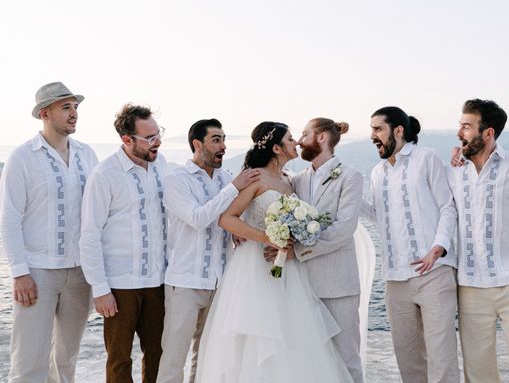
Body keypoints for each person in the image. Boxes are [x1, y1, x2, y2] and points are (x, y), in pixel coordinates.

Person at [195, 122, 353, 382]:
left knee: (293, 335)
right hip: (254, 268)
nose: (296, 143)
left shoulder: (289, 182)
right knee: (259, 337)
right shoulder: (255, 178)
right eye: (291, 139)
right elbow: (227, 219)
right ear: (277, 147)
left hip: (288, 271)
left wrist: (291, 241)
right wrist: (266, 238)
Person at [0, 81, 98, 382]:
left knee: (66, 358)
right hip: (38, 272)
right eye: (65, 107)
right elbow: (9, 218)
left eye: (75, 107)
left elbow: (98, 214)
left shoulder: (87, 155)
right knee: (29, 360)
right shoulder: (22, 157)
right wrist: (19, 273)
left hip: (80, 272)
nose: (74, 114)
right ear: (45, 113)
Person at [448, 99, 509, 382]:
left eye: (467, 127)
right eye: (460, 125)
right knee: (478, 372)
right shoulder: (453, 169)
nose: (460, 132)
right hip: (470, 284)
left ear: (488, 133)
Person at [156, 118, 259, 383]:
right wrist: (234, 188)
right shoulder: (177, 179)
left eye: (224, 139)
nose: (223, 146)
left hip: (222, 283)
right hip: (185, 283)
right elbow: (198, 218)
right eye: (216, 140)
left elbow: (236, 217)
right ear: (197, 144)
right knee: (173, 359)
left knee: (208, 358)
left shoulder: (226, 178)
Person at [363, 106, 459, 383]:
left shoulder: (426, 158)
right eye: (371, 130)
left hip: (434, 273)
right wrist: (346, 194)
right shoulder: (376, 172)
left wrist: (438, 247)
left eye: (377, 129)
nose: (372, 136)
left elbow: (447, 207)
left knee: (441, 355)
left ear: (398, 130)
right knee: (407, 356)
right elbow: (379, 216)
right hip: (395, 278)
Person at [80, 104, 168, 383]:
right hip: (119, 286)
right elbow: (90, 235)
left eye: (158, 134)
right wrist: (100, 288)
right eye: (150, 138)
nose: (158, 142)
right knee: (119, 360)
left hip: (158, 281)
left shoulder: (162, 165)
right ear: (127, 140)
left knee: (158, 353)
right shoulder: (105, 174)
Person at [288, 118, 364, 382]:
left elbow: (344, 229)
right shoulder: (296, 180)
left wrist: (298, 252)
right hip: (302, 286)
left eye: (304, 133)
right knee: (310, 358)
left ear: (321, 138)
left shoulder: (350, 176)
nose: (299, 140)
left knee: (346, 357)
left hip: (339, 284)